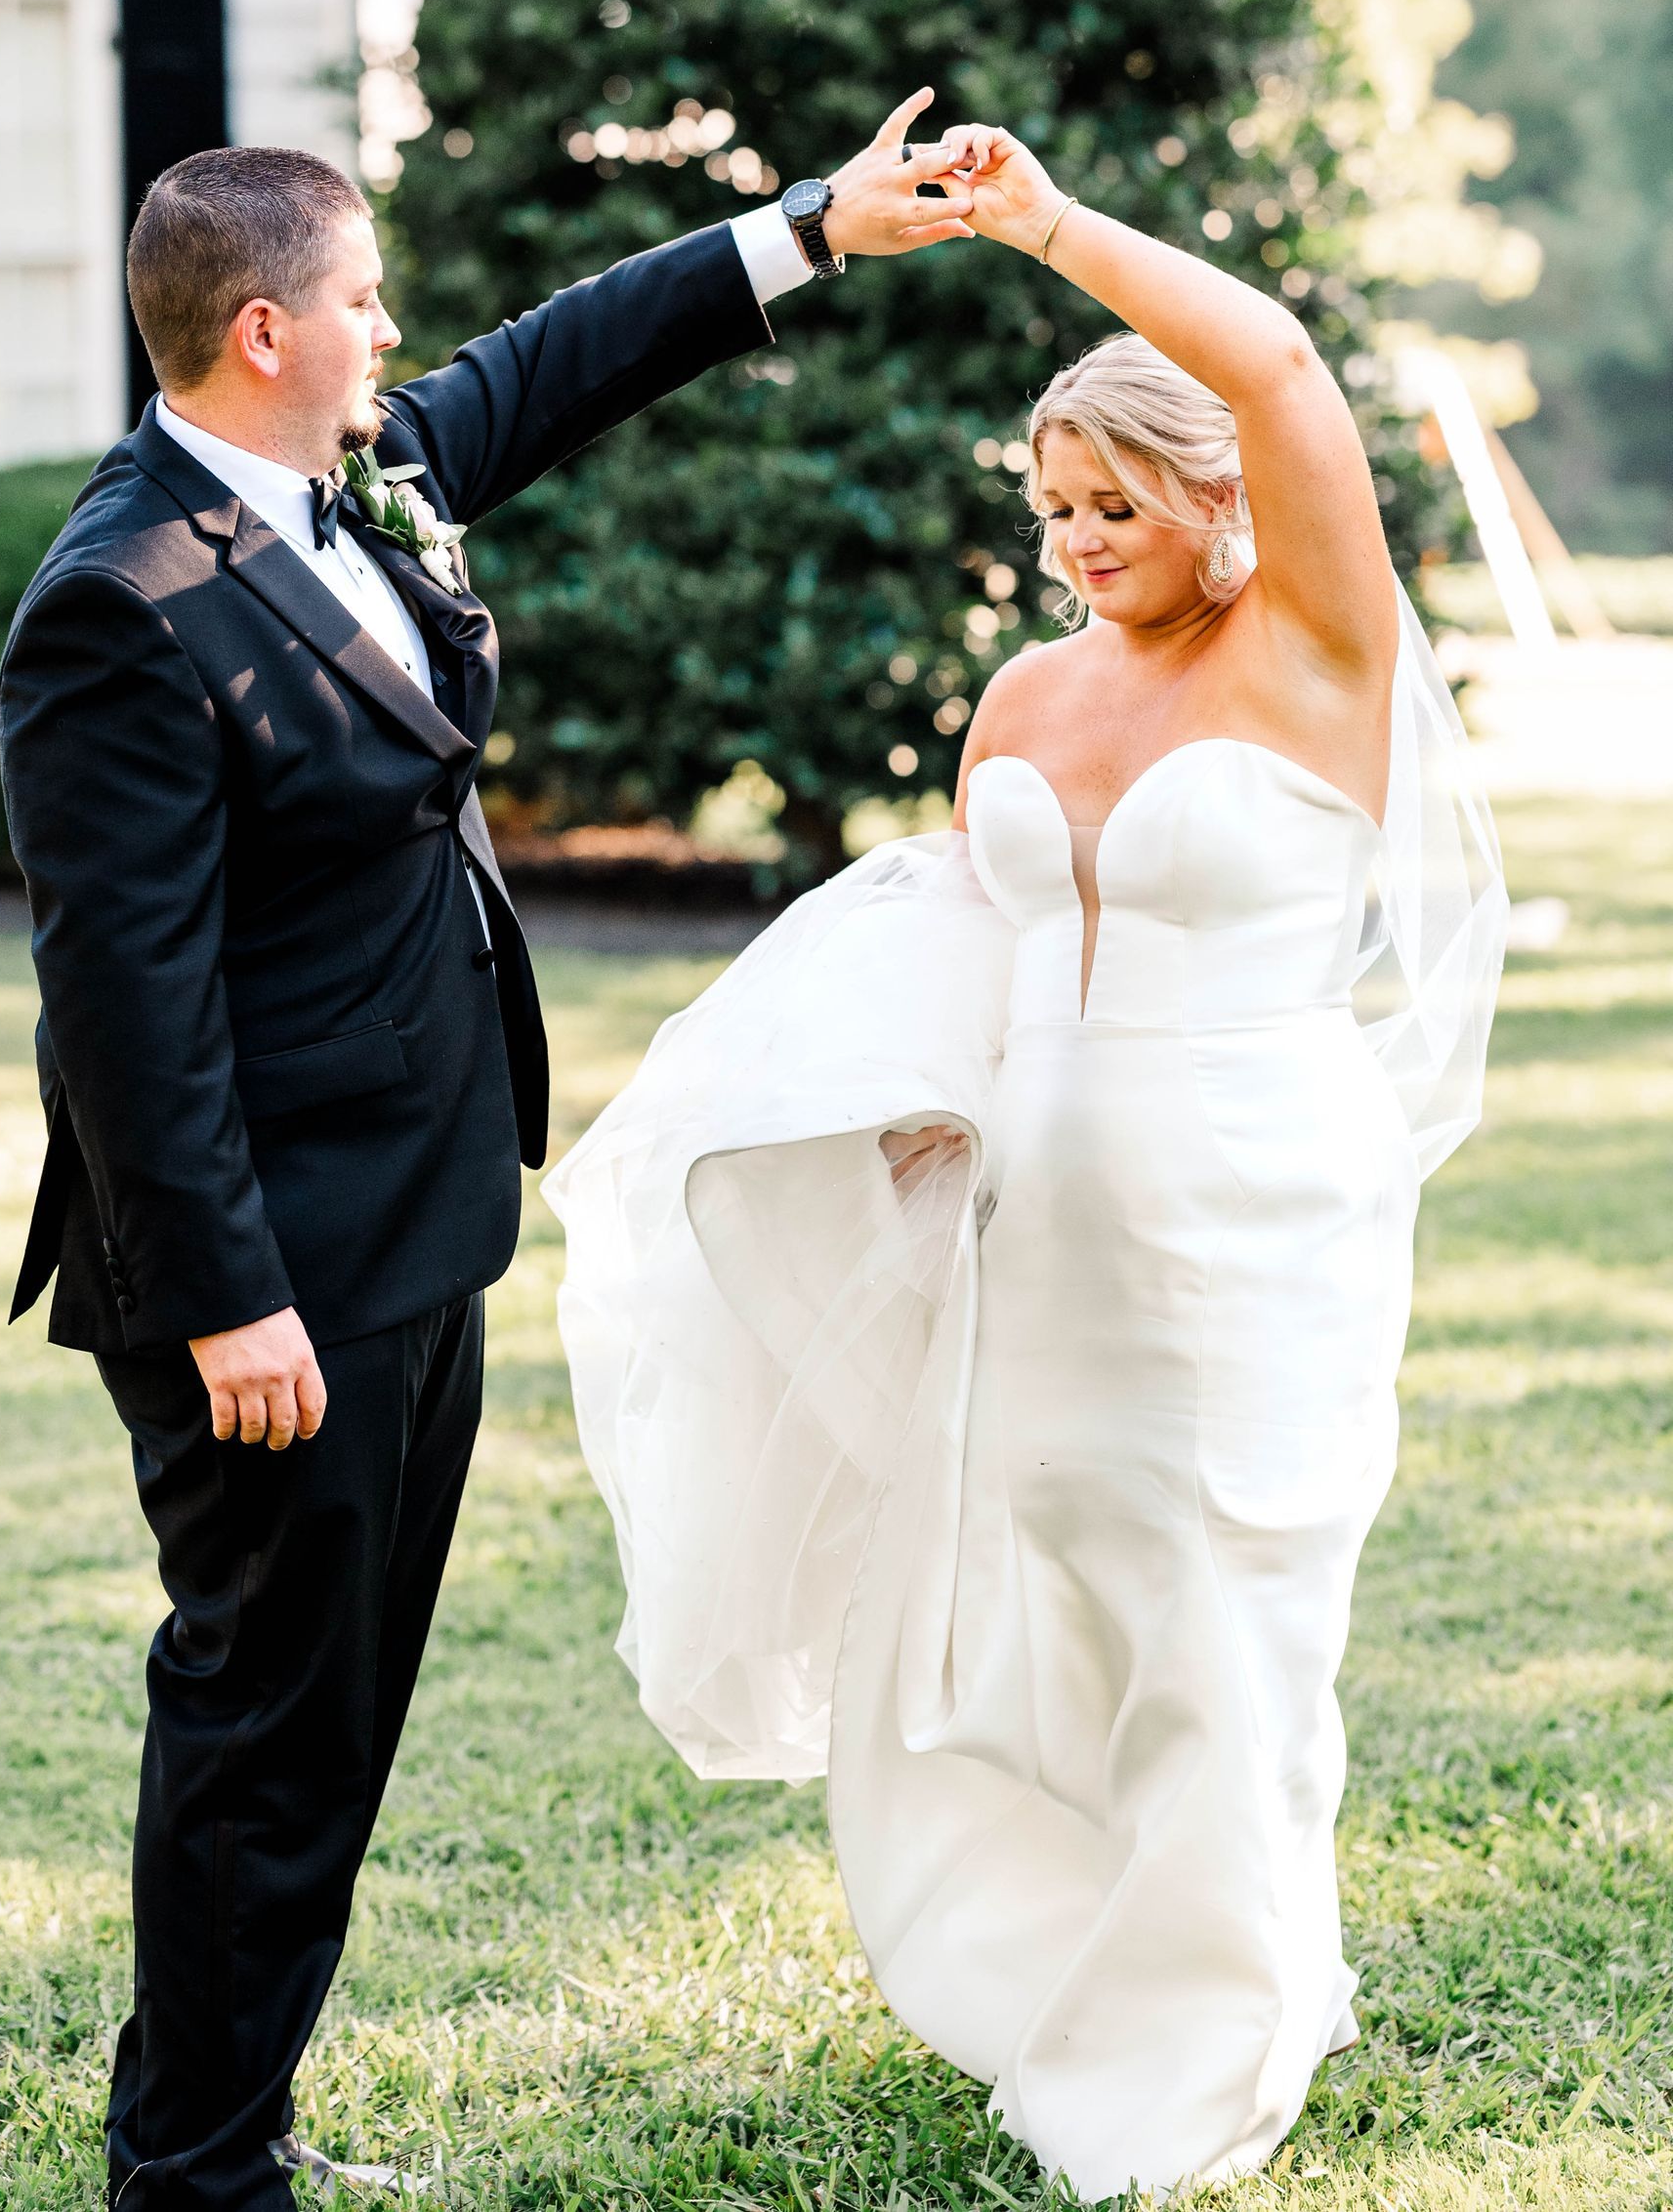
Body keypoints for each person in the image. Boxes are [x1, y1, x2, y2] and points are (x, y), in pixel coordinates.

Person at [0, 99, 974, 2212]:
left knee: (328, 1723)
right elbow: (123, 1002)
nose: (395, 328)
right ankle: (192, 2172)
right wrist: (234, 1293)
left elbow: (556, 355)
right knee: (266, 1721)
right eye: (365, 297)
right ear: (267, 329)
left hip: (419, 1215)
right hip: (274, 1272)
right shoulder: (121, 601)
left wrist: (814, 226)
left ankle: (223, 2113)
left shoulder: (357, 479)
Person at [547, 118, 1507, 2204]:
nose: (1074, 538)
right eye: (1053, 506)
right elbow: (961, 963)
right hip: (1031, 1228)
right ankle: (1074, 1956)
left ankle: (1213, 2039)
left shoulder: (1313, 658)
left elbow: (1284, 376)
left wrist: (1050, 227)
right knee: (1027, 1614)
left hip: (1253, 1213)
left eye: (1114, 503)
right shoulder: (1025, 695)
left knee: (1223, 1617)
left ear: (1210, 500)